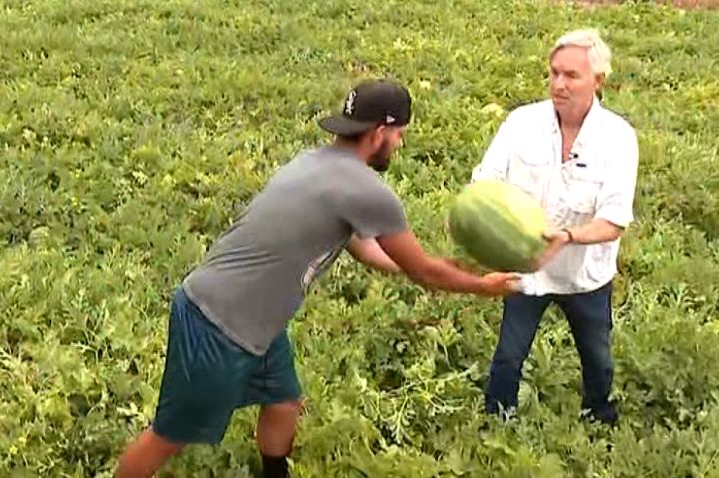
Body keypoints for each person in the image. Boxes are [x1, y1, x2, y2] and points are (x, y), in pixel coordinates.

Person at [114, 78, 520, 478]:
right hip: (218, 322)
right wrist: (483, 286)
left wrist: (441, 266)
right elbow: (424, 272)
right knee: (169, 436)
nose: (399, 144)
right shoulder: (366, 190)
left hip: (258, 321)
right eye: (399, 135)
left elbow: (365, 248)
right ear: (379, 132)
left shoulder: (314, 162)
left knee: (284, 400)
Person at [471, 29, 640, 426]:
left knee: (597, 356)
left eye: (571, 76)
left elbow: (614, 221)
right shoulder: (521, 123)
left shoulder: (617, 138)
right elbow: (487, 181)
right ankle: (497, 422)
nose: (559, 84)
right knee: (509, 354)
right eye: (554, 73)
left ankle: (598, 417)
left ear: (598, 80)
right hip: (527, 266)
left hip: (585, 274)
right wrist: (471, 213)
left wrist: (567, 237)